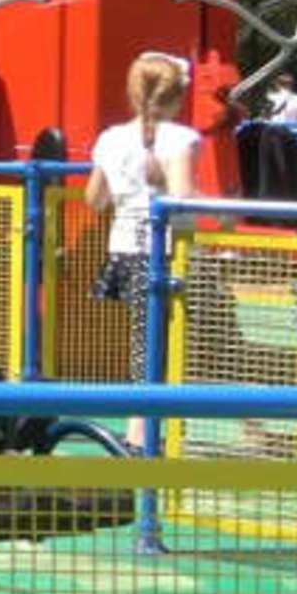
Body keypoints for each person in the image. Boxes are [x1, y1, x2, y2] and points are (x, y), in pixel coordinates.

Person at [86, 51, 200, 384]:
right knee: (200, 336)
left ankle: (144, 409)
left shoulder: (110, 139)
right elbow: (181, 197)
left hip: (126, 249)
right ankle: (154, 406)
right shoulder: (181, 139)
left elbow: (95, 199)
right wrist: (222, 209)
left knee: (146, 339)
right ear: (177, 97)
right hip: (170, 252)